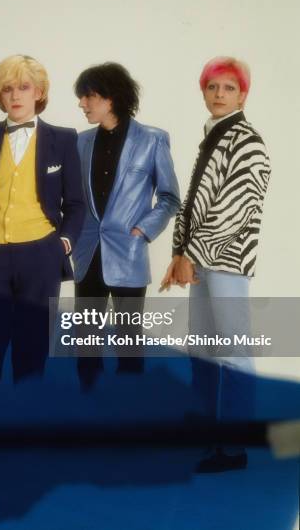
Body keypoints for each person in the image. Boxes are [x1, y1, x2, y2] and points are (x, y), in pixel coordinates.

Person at [160, 56, 271, 473]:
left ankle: (235, 445)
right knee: (203, 347)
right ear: (203, 92)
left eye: (228, 88)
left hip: (225, 260)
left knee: (233, 349)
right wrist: (177, 253)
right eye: (213, 87)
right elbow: (193, 203)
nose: (219, 94)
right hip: (201, 259)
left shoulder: (247, 140)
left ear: (243, 94)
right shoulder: (212, 137)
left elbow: (234, 210)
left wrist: (191, 256)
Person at [0, 54, 85, 384]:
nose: (15, 96)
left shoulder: (64, 138)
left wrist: (62, 245)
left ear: (39, 92)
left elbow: (75, 203)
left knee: (32, 353)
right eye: (7, 89)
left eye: (24, 87)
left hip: (41, 255)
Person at [72, 62, 180, 390]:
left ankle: (129, 412)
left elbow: (169, 198)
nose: (82, 104)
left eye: (89, 96)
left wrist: (143, 230)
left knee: (129, 340)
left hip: (129, 253)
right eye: (82, 97)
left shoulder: (152, 139)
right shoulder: (80, 142)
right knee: (85, 340)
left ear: (112, 98)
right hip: (88, 252)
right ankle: (88, 410)